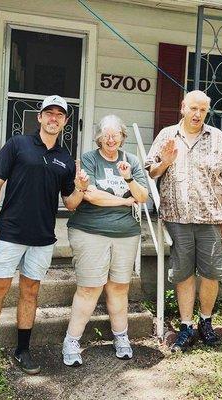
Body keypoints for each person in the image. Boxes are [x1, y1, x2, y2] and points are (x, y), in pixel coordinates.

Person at [0, 95, 89, 383]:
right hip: (9, 232)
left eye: (60, 114)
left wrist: (81, 189)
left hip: (43, 237)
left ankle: (22, 350)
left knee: (30, 292)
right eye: (49, 113)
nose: (54, 118)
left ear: (66, 121)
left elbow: (69, 204)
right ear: (40, 117)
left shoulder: (65, 159)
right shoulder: (17, 144)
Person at [145, 90, 222, 352]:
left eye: (202, 110)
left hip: (210, 217)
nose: (197, 114)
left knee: (211, 273)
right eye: (193, 108)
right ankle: (186, 326)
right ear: (183, 108)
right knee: (183, 273)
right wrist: (165, 161)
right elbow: (151, 173)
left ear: (206, 112)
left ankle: (206, 322)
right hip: (177, 218)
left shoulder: (217, 138)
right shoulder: (166, 135)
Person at [62, 115, 148, 366]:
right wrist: (123, 200)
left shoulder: (131, 161)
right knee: (90, 288)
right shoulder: (89, 159)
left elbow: (142, 197)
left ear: (123, 136)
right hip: (90, 231)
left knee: (119, 287)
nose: (111, 139)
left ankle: (121, 337)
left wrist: (129, 179)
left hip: (126, 234)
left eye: (116, 134)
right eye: (106, 135)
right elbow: (92, 195)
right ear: (99, 137)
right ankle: (72, 340)